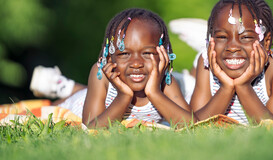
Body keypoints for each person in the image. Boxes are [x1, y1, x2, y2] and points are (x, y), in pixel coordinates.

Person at [30, 8, 195, 128]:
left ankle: (68, 86)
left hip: (97, 95)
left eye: (147, 53)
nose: (136, 63)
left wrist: (154, 92)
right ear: (110, 57)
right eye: (124, 54)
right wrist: (124, 95)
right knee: (46, 108)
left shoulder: (164, 81)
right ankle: (67, 89)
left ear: (163, 54)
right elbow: (92, 128)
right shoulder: (100, 73)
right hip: (78, 105)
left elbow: (190, 125)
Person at [190, 0, 273, 125]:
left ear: (266, 42)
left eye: (245, 37)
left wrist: (243, 86)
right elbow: (192, 126)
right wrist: (226, 88)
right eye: (222, 37)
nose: (232, 47)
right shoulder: (207, 63)